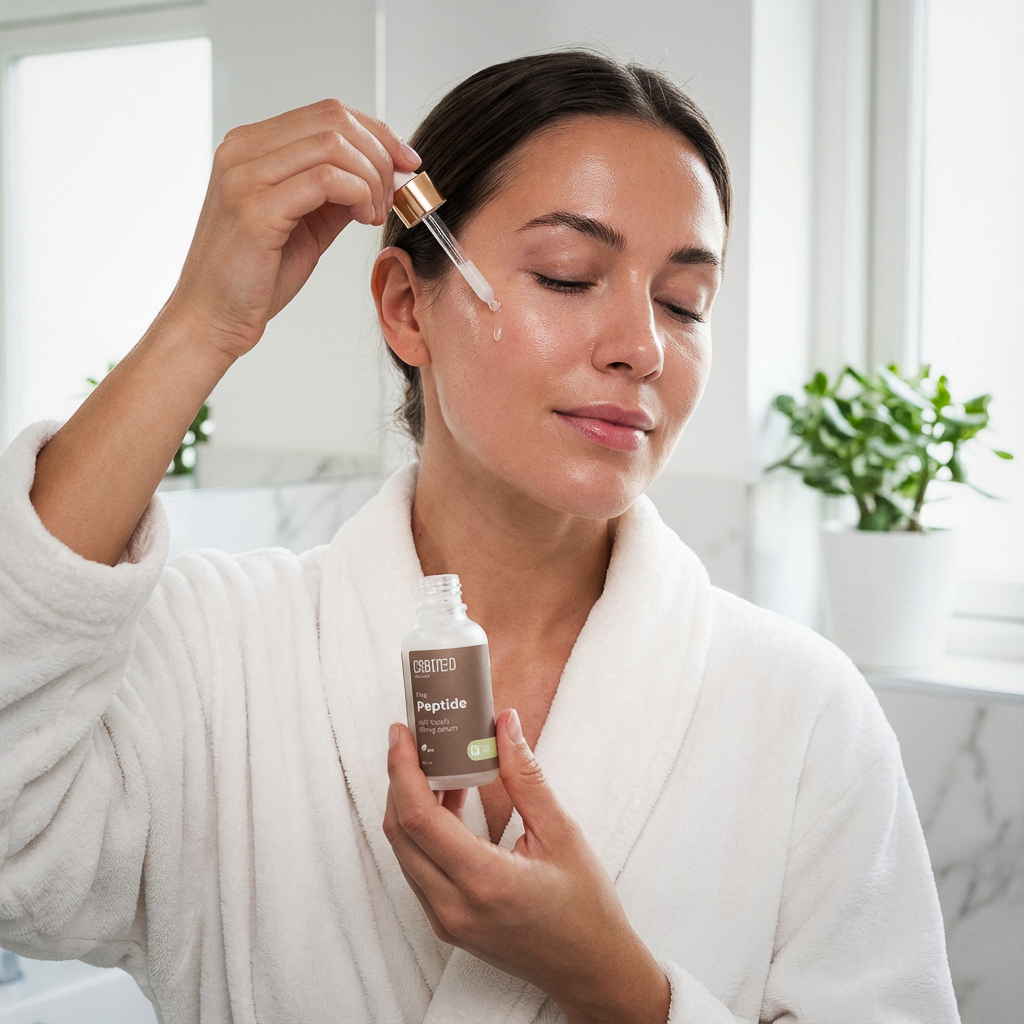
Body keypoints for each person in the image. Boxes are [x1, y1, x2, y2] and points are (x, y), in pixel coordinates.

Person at [0, 51, 959, 1023]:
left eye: (683, 303)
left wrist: (617, 985)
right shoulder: (220, 655)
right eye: (567, 276)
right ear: (406, 308)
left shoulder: (803, 712)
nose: (642, 346)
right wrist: (202, 321)